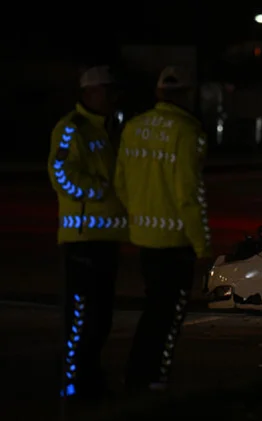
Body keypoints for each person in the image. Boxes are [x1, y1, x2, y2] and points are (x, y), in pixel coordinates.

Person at [115, 66, 211, 392]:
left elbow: (121, 183)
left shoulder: (133, 127)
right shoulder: (188, 131)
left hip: (145, 237)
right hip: (176, 240)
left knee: (153, 308)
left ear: (158, 94)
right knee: (169, 315)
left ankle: (137, 372)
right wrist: (202, 244)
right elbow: (189, 194)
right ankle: (155, 377)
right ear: (185, 94)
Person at [48, 65, 129, 400]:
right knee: (82, 320)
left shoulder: (110, 129)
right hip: (82, 239)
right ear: (87, 94)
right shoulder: (72, 128)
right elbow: (59, 171)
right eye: (104, 91)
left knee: (100, 319)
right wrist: (96, 190)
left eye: (113, 91)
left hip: (107, 239)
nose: (110, 97)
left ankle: (89, 380)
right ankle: (74, 385)